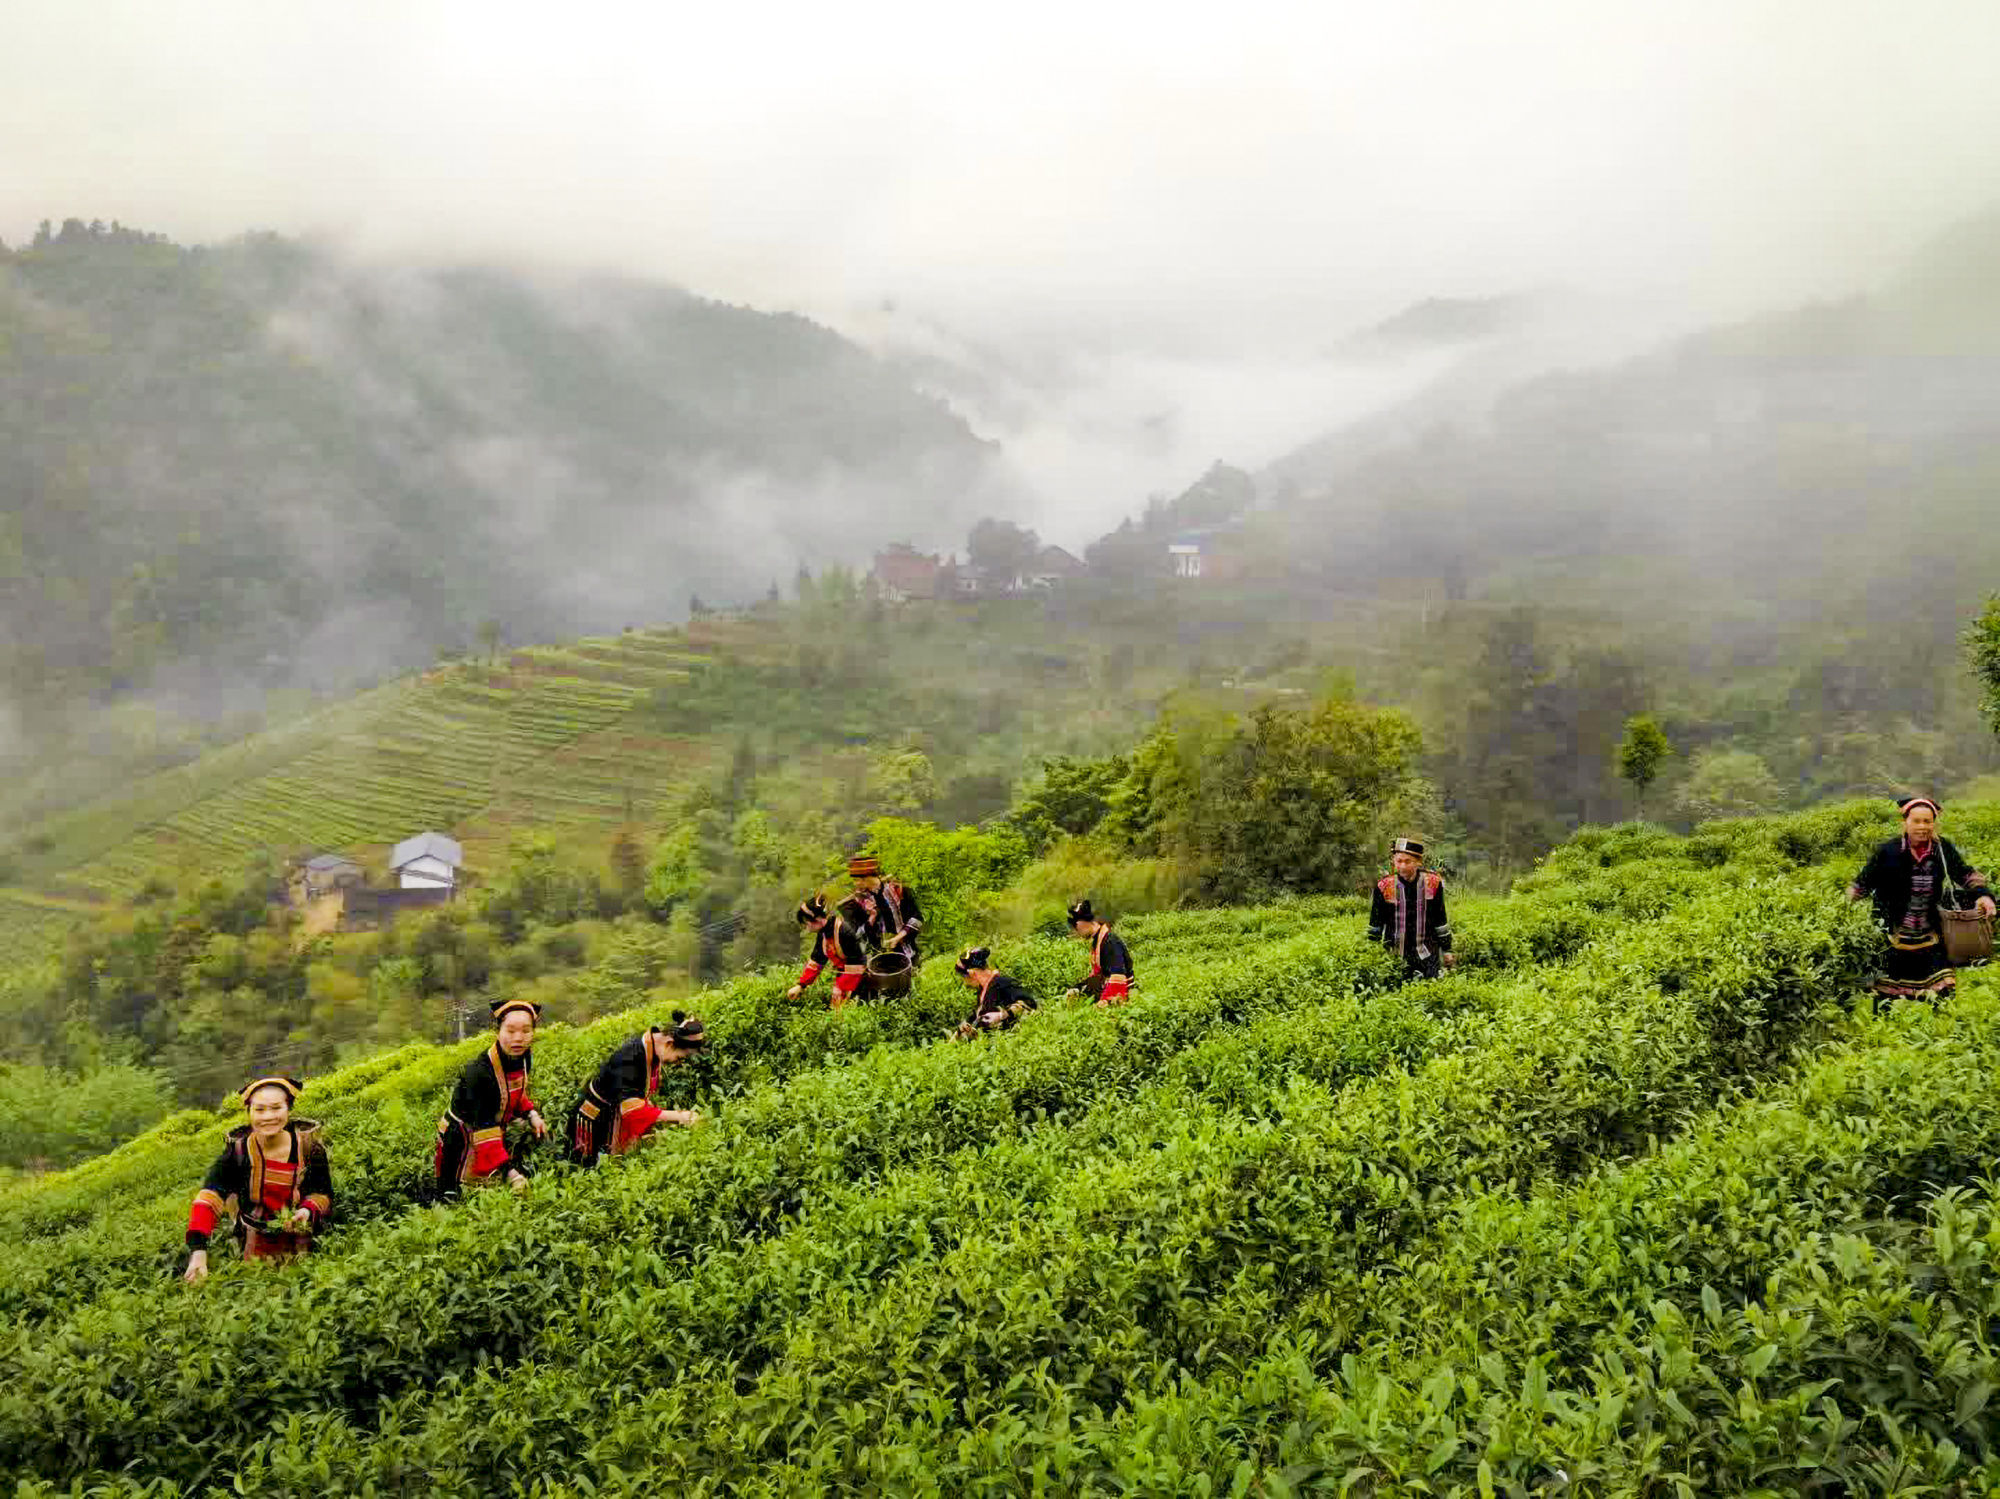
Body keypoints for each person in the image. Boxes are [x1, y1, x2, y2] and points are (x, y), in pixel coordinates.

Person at [1848, 795, 1994, 1007]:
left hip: (1931, 935)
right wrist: (1847, 901)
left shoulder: (1942, 849)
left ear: (1934, 824)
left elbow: (1965, 874)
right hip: (1893, 936)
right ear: (1905, 823)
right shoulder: (1888, 851)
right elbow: (1862, 883)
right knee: (1887, 1003)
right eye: (1916, 821)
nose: (1922, 826)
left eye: (1927, 821)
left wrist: (1983, 895)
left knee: (1941, 1000)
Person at [183, 1074, 331, 1282]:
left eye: (276, 1108)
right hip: (254, 1241)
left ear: (288, 1109)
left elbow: (322, 1192)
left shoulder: (310, 1149)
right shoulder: (237, 1154)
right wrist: (198, 1253)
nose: (268, 1116)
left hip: (303, 1238)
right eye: (259, 1109)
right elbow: (209, 1196)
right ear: (249, 1112)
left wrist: (307, 1210)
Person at [434, 997, 547, 1197]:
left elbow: (515, 1093)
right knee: (457, 1194)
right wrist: (513, 1174)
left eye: (526, 1031)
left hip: (491, 1131)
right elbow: (484, 1128)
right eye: (510, 1031)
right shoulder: (478, 1074)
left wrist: (532, 1114)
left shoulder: (523, 1057)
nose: (518, 1038)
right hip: (463, 1136)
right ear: (498, 1031)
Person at [565, 1011, 709, 1167]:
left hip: (612, 1114)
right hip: (594, 1122)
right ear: (669, 1043)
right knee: (587, 1170)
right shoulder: (630, 1059)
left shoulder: (651, 1048)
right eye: (680, 1057)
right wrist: (680, 1116)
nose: (678, 1063)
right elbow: (633, 1111)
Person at [1368, 837, 1455, 979]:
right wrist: (1371, 953)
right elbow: (1376, 923)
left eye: (1407, 861)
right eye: (1399, 861)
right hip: (1394, 956)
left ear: (1418, 862)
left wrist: (1447, 950)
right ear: (1393, 861)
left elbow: (1440, 918)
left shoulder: (1432, 883)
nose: (1402, 866)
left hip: (1428, 955)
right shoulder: (1384, 886)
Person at [787, 893, 872, 1007]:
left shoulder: (844, 931)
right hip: (844, 976)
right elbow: (817, 960)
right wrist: (801, 985)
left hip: (857, 978)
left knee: (850, 1011)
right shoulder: (823, 933)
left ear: (817, 919)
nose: (807, 927)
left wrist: (840, 986)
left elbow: (857, 962)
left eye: (807, 923)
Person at [849, 855, 924, 967]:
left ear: (867, 877)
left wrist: (898, 937)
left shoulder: (898, 890)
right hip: (878, 958)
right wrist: (872, 917)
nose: (855, 884)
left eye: (856, 880)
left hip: (907, 951)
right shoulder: (860, 900)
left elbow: (917, 918)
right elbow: (858, 933)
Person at [952, 946, 1038, 1039]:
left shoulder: (1003, 983)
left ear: (972, 973)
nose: (965, 983)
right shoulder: (983, 991)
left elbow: (1030, 1003)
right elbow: (978, 1016)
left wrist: (1002, 1015)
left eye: (964, 978)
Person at [1065, 898, 1133, 1005]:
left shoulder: (1110, 941)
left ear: (1081, 922)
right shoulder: (1098, 940)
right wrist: (1077, 988)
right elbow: (1098, 976)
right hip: (1107, 987)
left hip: (1121, 993)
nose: (1076, 931)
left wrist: (1103, 1002)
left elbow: (1118, 976)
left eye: (1075, 926)